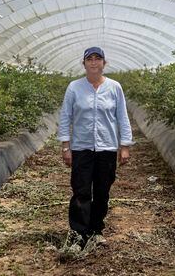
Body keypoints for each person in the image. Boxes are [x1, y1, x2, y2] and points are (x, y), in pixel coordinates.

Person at [57, 46, 134, 250]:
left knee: (102, 192)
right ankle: (78, 233)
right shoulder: (74, 87)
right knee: (81, 191)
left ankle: (96, 231)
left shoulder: (114, 87)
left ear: (104, 63)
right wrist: (66, 147)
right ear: (84, 64)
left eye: (97, 58)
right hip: (81, 148)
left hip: (107, 148)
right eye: (89, 59)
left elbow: (122, 118)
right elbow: (65, 117)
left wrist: (124, 146)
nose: (93, 62)